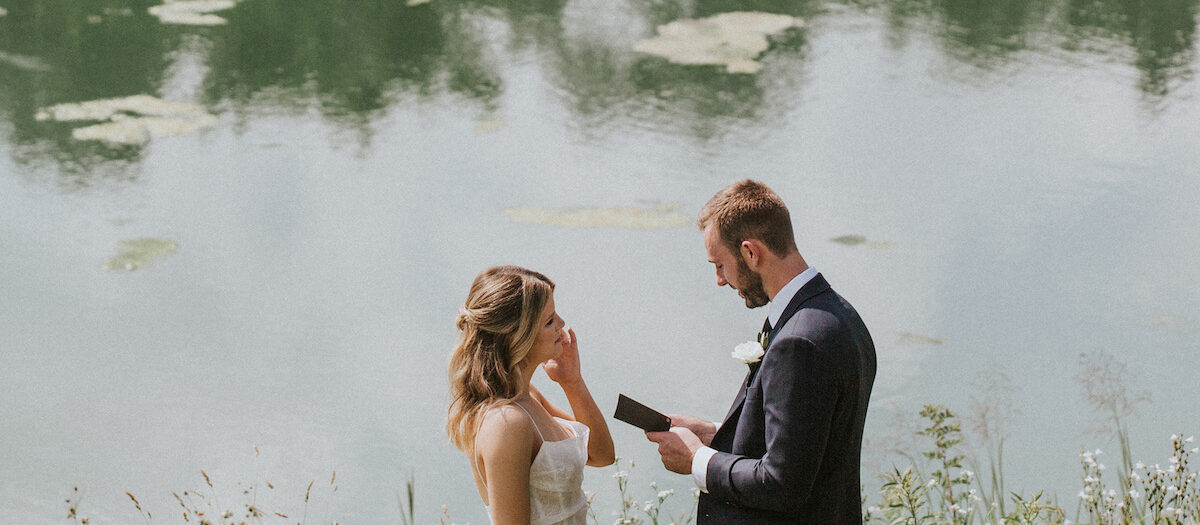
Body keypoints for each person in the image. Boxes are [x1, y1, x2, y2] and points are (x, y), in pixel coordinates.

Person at [645, 180, 877, 524]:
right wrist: (716, 433)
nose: (720, 280)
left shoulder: (799, 343)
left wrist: (697, 459)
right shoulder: (839, 316)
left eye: (720, 265)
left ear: (751, 253)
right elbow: (807, 440)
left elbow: (781, 484)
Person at [447, 265, 615, 525]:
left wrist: (572, 382)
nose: (561, 324)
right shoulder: (506, 421)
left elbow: (601, 455)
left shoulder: (528, 397)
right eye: (549, 321)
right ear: (518, 337)